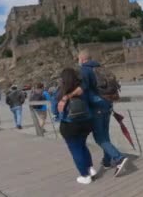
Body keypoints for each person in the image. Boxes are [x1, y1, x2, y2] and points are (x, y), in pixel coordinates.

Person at [78, 49, 128, 177]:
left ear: (82, 59)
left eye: (78, 59)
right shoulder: (101, 67)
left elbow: (83, 90)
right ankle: (107, 161)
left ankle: (118, 158)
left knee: (99, 138)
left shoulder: (85, 70)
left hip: (96, 107)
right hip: (108, 104)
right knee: (105, 135)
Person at [52, 68, 96, 185]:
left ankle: (85, 175)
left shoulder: (60, 92)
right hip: (86, 122)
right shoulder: (82, 89)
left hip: (70, 125)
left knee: (75, 150)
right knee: (82, 146)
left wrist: (57, 115)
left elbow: (54, 109)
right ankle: (90, 168)